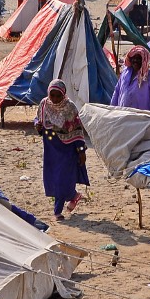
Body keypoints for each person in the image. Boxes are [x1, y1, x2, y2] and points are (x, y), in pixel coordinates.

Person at [34, 80, 89, 221]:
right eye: (52, 95)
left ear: (63, 94)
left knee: (62, 179)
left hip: (67, 149)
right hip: (51, 149)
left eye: (58, 96)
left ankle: (57, 211)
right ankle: (73, 196)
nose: (55, 99)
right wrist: (37, 126)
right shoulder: (44, 104)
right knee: (53, 178)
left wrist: (81, 151)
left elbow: (77, 130)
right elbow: (38, 118)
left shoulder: (70, 107)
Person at [111, 46, 150, 111]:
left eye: (139, 59)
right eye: (133, 58)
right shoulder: (125, 72)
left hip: (141, 117)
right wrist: (112, 108)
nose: (135, 61)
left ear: (144, 60)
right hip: (122, 113)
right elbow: (117, 91)